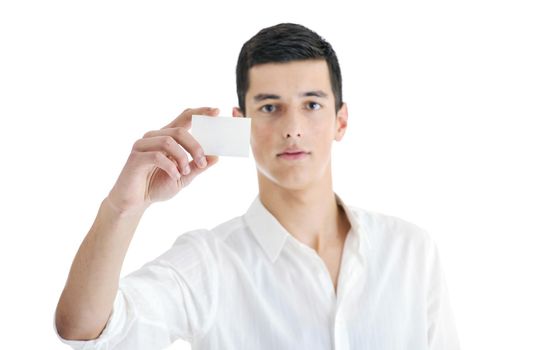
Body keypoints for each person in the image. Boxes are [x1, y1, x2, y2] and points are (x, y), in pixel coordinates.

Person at [54, 23, 460, 349]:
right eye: (270, 107)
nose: (292, 129)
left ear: (341, 120)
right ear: (241, 121)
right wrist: (124, 207)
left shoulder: (411, 251)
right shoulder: (209, 263)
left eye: (312, 105)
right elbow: (86, 330)